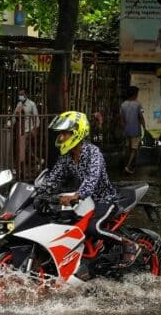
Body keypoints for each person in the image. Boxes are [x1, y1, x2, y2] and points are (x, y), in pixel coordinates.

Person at [36, 111, 142, 265]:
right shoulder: (66, 157)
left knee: (93, 228)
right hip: (85, 200)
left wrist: (77, 196)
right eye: (60, 134)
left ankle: (129, 244)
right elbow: (53, 178)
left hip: (104, 199)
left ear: (77, 132)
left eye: (65, 133)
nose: (61, 137)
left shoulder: (93, 152)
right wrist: (40, 193)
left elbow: (92, 179)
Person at [7, 88, 40, 178]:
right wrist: (10, 124)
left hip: (28, 130)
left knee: (22, 148)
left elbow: (36, 118)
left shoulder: (31, 104)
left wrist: (34, 129)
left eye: (21, 94)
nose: (20, 96)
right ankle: (37, 161)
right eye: (19, 94)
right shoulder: (19, 104)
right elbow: (14, 116)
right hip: (20, 130)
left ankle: (21, 170)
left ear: (26, 95)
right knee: (24, 149)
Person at [120, 86, 146, 174]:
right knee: (134, 149)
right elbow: (141, 117)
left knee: (127, 148)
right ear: (135, 94)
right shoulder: (138, 104)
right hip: (135, 131)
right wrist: (144, 127)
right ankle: (128, 166)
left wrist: (124, 129)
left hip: (127, 130)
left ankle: (126, 164)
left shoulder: (123, 104)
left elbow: (122, 119)